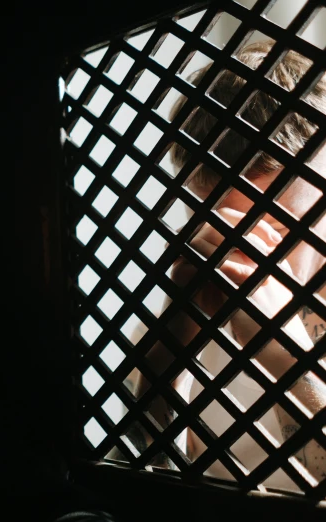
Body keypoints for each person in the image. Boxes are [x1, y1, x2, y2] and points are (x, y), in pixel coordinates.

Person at [122, 40, 326, 487]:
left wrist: (291, 364)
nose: (244, 241)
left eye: (272, 216)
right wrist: (165, 366)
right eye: (217, 214)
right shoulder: (185, 303)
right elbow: (135, 487)